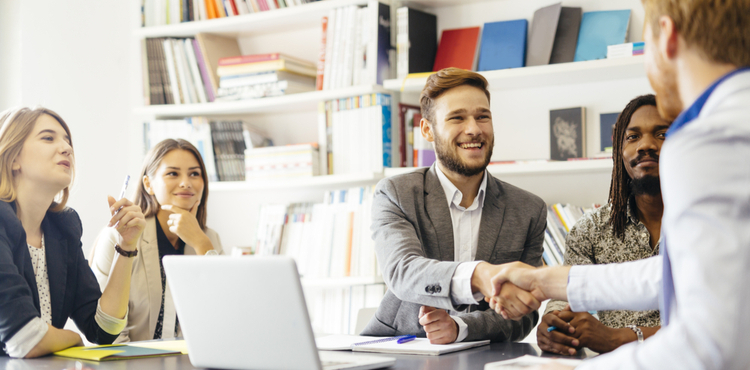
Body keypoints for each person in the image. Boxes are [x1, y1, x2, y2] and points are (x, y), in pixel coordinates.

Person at [486, 0, 750, 369]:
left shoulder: (710, 141)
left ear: (667, 36)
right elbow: (684, 272)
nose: (647, 145)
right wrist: (546, 282)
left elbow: (707, 345)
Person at [360, 68, 547, 344]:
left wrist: (461, 328)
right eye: (457, 118)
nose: (473, 129)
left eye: (482, 116)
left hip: (483, 356)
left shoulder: (529, 209)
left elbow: (524, 313)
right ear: (427, 130)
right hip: (399, 346)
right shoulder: (395, 194)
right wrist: (479, 275)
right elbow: (403, 271)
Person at [0, 107, 144, 358]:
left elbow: (103, 329)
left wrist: (127, 246)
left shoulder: (63, 228)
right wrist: (74, 338)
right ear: (13, 159)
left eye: (67, 141)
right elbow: (24, 339)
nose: (67, 148)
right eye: (48, 138)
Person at [539, 94, 670, 356]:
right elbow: (564, 298)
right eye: (632, 137)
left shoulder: (707, 223)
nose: (646, 145)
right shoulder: (590, 230)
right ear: (619, 153)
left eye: (662, 134)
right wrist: (553, 324)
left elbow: (717, 319)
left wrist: (621, 337)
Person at [91, 139, 223, 342]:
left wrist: (201, 243)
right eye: (173, 173)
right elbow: (108, 333)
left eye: (194, 174)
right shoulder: (119, 236)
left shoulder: (209, 238)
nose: (186, 182)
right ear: (148, 184)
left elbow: (223, 317)